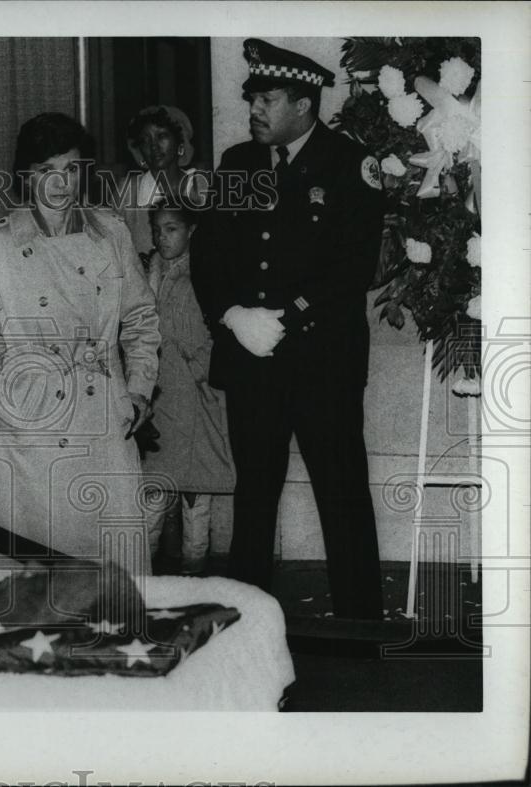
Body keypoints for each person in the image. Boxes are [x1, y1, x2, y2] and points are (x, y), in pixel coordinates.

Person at [197, 40, 385, 618]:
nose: (254, 109)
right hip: (252, 358)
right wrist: (232, 316)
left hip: (323, 360)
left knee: (341, 493)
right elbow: (208, 253)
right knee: (253, 497)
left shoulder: (349, 164)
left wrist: (289, 315)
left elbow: (355, 266)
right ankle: (246, 625)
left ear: (303, 105)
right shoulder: (238, 163)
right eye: (252, 98)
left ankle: (358, 628)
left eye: (268, 99)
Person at [0, 112, 160, 575]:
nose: (61, 183)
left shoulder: (111, 234)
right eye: (47, 170)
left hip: (105, 423)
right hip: (35, 432)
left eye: (71, 169)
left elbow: (141, 319)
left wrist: (139, 391)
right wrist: (4, 406)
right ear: (26, 175)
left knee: (112, 571)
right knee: (37, 574)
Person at [142, 205, 234, 575]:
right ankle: (143, 573)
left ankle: (194, 572)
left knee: (196, 495)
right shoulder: (148, 271)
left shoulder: (204, 271)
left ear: (191, 230)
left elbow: (216, 334)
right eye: (157, 229)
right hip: (158, 397)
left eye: (172, 228)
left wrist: (198, 370)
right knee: (153, 489)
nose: (162, 237)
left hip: (195, 400)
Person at [117, 105, 209, 257]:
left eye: (161, 136)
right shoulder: (127, 191)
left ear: (180, 143)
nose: (153, 146)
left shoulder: (202, 187)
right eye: (145, 140)